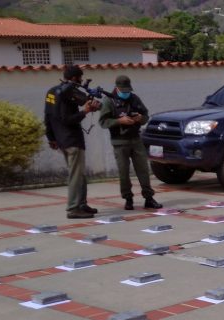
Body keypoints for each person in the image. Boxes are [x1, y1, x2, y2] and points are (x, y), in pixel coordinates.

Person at [98, 75, 161, 210]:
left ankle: (149, 198)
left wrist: (140, 118)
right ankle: (128, 199)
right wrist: (119, 121)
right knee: (123, 172)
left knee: (143, 170)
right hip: (119, 142)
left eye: (128, 91)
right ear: (117, 88)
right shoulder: (109, 101)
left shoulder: (134, 98)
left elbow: (145, 116)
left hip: (136, 139)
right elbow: (103, 122)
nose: (126, 93)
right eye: (124, 91)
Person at [45, 65, 100, 219]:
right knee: (76, 175)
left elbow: (47, 116)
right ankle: (73, 208)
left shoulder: (51, 92)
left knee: (80, 174)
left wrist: (51, 138)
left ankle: (81, 204)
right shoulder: (68, 93)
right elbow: (67, 119)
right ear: (76, 78)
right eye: (80, 78)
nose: (81, 81)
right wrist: (86, 111)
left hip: (61, 140)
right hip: (72, 140)